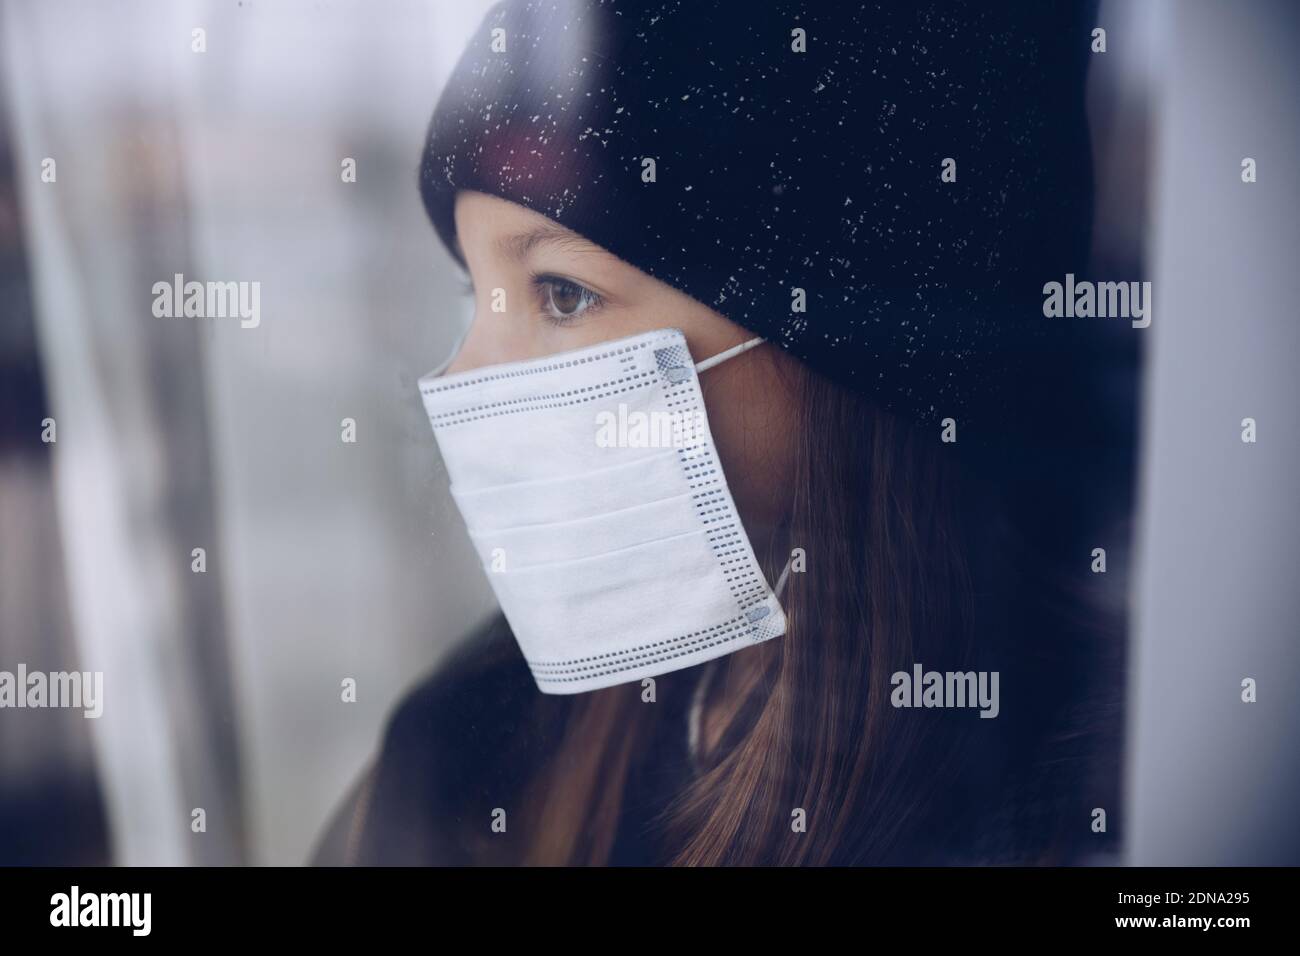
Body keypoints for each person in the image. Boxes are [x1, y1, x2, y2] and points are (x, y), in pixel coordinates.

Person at [312, 0, 1127, 866]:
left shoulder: (1081, 797)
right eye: (475, 297)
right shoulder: (480, 737)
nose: (465, 382)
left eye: (562, 294)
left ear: (841, 340)